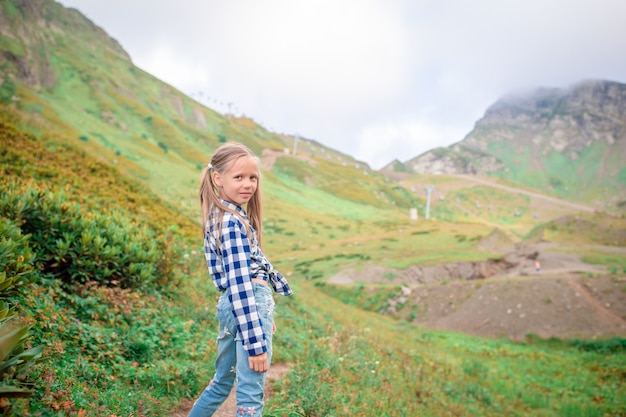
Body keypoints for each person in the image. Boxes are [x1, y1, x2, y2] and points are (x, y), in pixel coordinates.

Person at [188, 143, 293, 417]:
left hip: (233, 307)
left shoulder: (218, 215)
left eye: (253, 178)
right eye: (239, 177)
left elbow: (235, 287)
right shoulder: (232, 223)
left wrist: (263, 317)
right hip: (247, 304)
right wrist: (256, 342)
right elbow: (241, 285)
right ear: (217, 178)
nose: (248, 185)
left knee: (221, 382)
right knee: (250, 395)